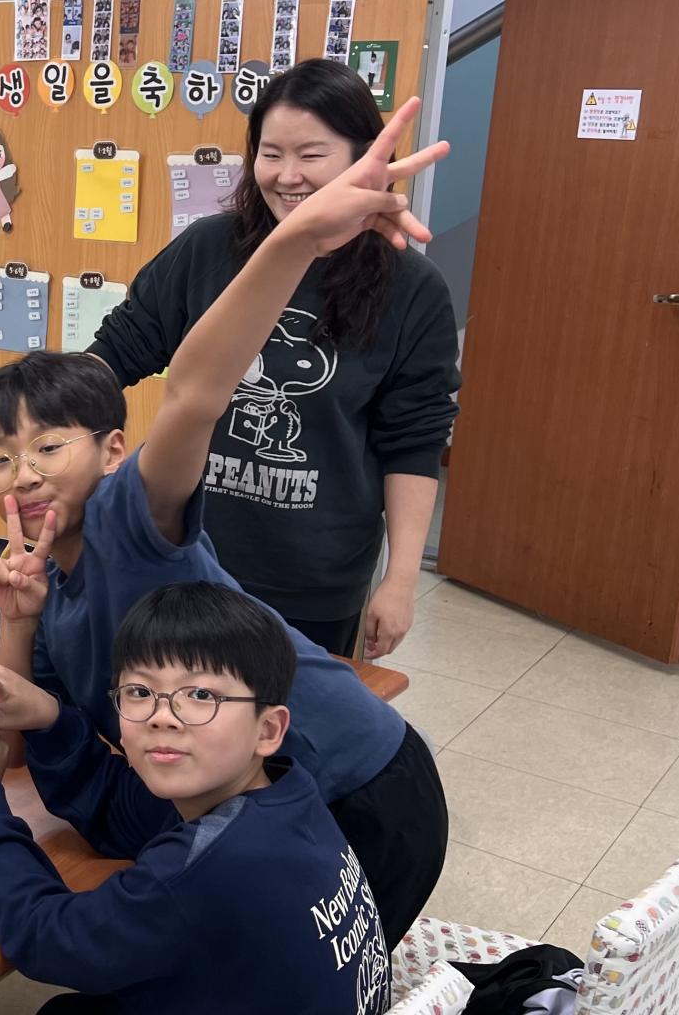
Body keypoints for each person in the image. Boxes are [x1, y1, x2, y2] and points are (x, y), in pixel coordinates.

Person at [0, 96, 449, 941]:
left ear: (113, 451)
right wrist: (19, 616)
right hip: (259, 802)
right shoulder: (46, 581)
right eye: (1, 459)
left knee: (301, 983)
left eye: (51, 447)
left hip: (361, 788)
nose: (27, 474)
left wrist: (297, 238)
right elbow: (21, 725)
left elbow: (194, 392)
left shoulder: (130, 523)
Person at [85, 59, 460, 660]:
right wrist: (55, 454)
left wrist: (400, 580)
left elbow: (414, 441)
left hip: (314, 579)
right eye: (270, 153)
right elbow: (111, 358)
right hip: (181, 555)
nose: (287, 176)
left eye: (312, 155)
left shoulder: (411, 288)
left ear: (364, 157)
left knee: (287, 717)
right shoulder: (208, 248)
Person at [0, 583, 391, 1014]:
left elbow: (48, 939)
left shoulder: (210, 869)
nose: (163, 716)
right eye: (140, 692)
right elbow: (121, 809)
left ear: (268, 729)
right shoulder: (285, 794)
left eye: (200, 695)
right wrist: (49, 718)